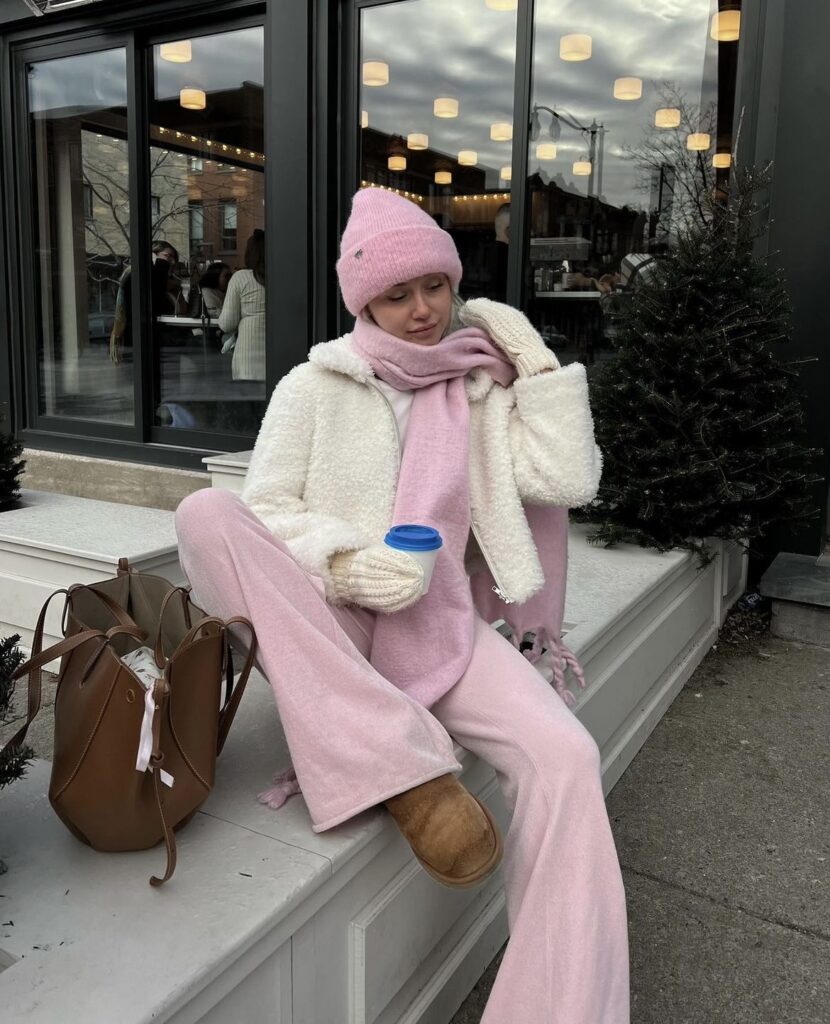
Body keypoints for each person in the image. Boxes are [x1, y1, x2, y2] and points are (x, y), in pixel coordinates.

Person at [174, 189, 629, 1023]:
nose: (421, 311)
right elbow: (264, 511)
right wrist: (349, 563)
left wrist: (534, 366)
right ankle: (397, 761)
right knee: (204, 516)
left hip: (442, 624)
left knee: (567, 758)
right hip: (334, 621)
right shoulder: (312, 387)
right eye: (397, 293)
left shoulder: (482, 386)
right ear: (364, 300)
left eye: (434, 286)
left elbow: (569, 483)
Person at [219, 229, 266, 382]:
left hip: (248, 361)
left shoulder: (241, 278)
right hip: (280, 359)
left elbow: (227, 324)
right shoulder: (282, 277)